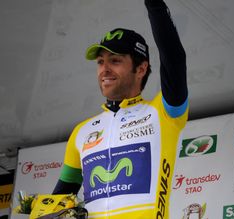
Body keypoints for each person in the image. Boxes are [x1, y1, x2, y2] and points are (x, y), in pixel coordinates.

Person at [53, 0, 188, 218]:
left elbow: (175, 59)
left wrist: (155, 6)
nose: (104, 69)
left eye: (114, 61)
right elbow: (58, 202)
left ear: (141, 68)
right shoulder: (81, 132)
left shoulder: (162, 112)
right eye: (99, 62)